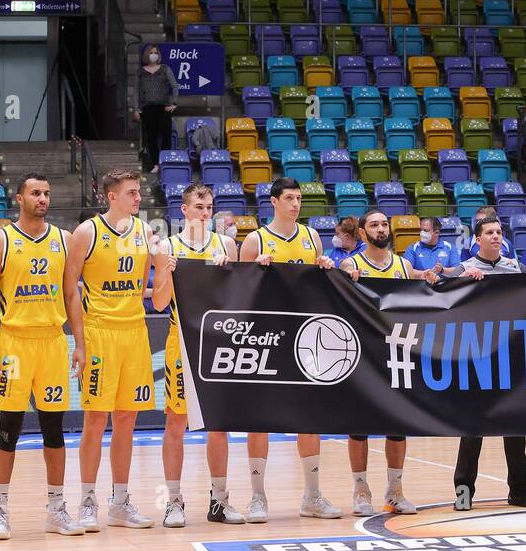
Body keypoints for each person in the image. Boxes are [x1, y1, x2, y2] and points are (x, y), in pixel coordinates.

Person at [0, 173, 83, 539]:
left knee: (54, 430)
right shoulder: (0, 241)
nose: (43, 198)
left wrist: (81, 345)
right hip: (14, 344)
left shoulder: (63, 239)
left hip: (54, 343)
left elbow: (72, 295)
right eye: (35, 193)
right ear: (19, 198)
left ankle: (56, 509)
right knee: (9, 427)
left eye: (46, 193)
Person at [64, 169, 168, 530]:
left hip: (135, 333)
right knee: (95, 420)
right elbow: (70, 288)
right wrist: (79, 340)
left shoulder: (145, 232)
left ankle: (120, 501)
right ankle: (88, 500)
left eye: (139, 192)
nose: (139, 198)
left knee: (127, 419)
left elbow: (143, 285)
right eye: (131, 193)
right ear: (111, 196)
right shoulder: (87, 232)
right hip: (99, 334)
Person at [239, 176, 343, 520]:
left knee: (308, 417)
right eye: (289, 198)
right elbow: (237, 294)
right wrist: (254, 271)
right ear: (273, 202)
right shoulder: (256, 240)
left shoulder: (312, 237)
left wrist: (325, 267)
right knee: (258, 418)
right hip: (265, 338)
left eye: (299, 198)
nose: (296, 204)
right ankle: (258, 497)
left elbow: (317, 283)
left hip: (304, 338)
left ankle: (312, 496)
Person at [442, 214, 526, 511]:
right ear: (476, 239)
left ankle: (520, 490)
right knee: (472, 430)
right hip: (475, 356)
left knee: (515, 426)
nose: (495, 236)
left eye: (499, 231)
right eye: (489, 232)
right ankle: (463, 494)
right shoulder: (465, 268)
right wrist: (459, 282)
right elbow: (437, 284)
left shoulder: (515, 266)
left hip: (510, 354)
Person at [159, 182, 244, 527]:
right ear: (184, 210)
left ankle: (219, 501)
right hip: (180, 340)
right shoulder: (167, 245)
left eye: (209, 207)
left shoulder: (226, 245)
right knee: (176, 422)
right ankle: (174, 501)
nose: (205, 213)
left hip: (216, 342)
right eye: (199, 207)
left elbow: (236, 300)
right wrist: (167, 271)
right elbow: (161, 302)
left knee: (219, 424)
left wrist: (227, 272)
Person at [337, 209, 426, 515]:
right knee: (359, 426)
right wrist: (345, 281)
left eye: (384, 224)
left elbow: (427, 294)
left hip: (397, 352)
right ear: (362, 233)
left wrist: (432, 277)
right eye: (373, 225)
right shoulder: (351, 264)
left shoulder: (403, 265)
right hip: (362, 354)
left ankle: (395, 490)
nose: (380, 228)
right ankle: (361, 490)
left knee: (397, 425)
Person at [134, 44, 178, 175]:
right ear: (146, 55)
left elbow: (174, 86)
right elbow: (136, 91)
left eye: (156, 53)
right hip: (147, 109)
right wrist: (136, 109)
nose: (154, 55)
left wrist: (174, 103)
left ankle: (165, 163)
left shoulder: (165, 69)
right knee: (151, 138)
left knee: (166, 136)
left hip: (163, 108)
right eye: (151, 52)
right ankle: (155, 164)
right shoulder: (140, 71)